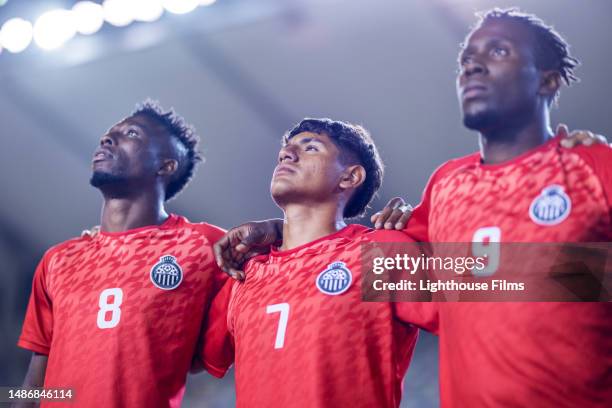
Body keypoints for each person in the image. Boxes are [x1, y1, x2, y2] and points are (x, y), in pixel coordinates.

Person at [214, 8, 611, 408]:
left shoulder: (375, 256)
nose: (473, 68)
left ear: (547, 78)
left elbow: (483, 287)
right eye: (466, 60)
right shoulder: (445, 186)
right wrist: (281, 232)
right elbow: (188, 348)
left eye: (499, 51)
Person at [198, 118, 425, 407]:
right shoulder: (245, 274)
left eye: (311, 148)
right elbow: (186, 358)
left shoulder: (377, 254)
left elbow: (495, 282)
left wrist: (420, 222)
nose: (287, 154)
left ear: (349, 177)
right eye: (286, 149)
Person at [16, 101, 227, 407]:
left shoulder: (203, 245)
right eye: (108, 134)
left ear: (166, 166)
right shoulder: (58, 260)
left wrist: (273, 228)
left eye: (131, 133)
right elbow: (35, 383)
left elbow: (287, 256)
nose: (107, 139)